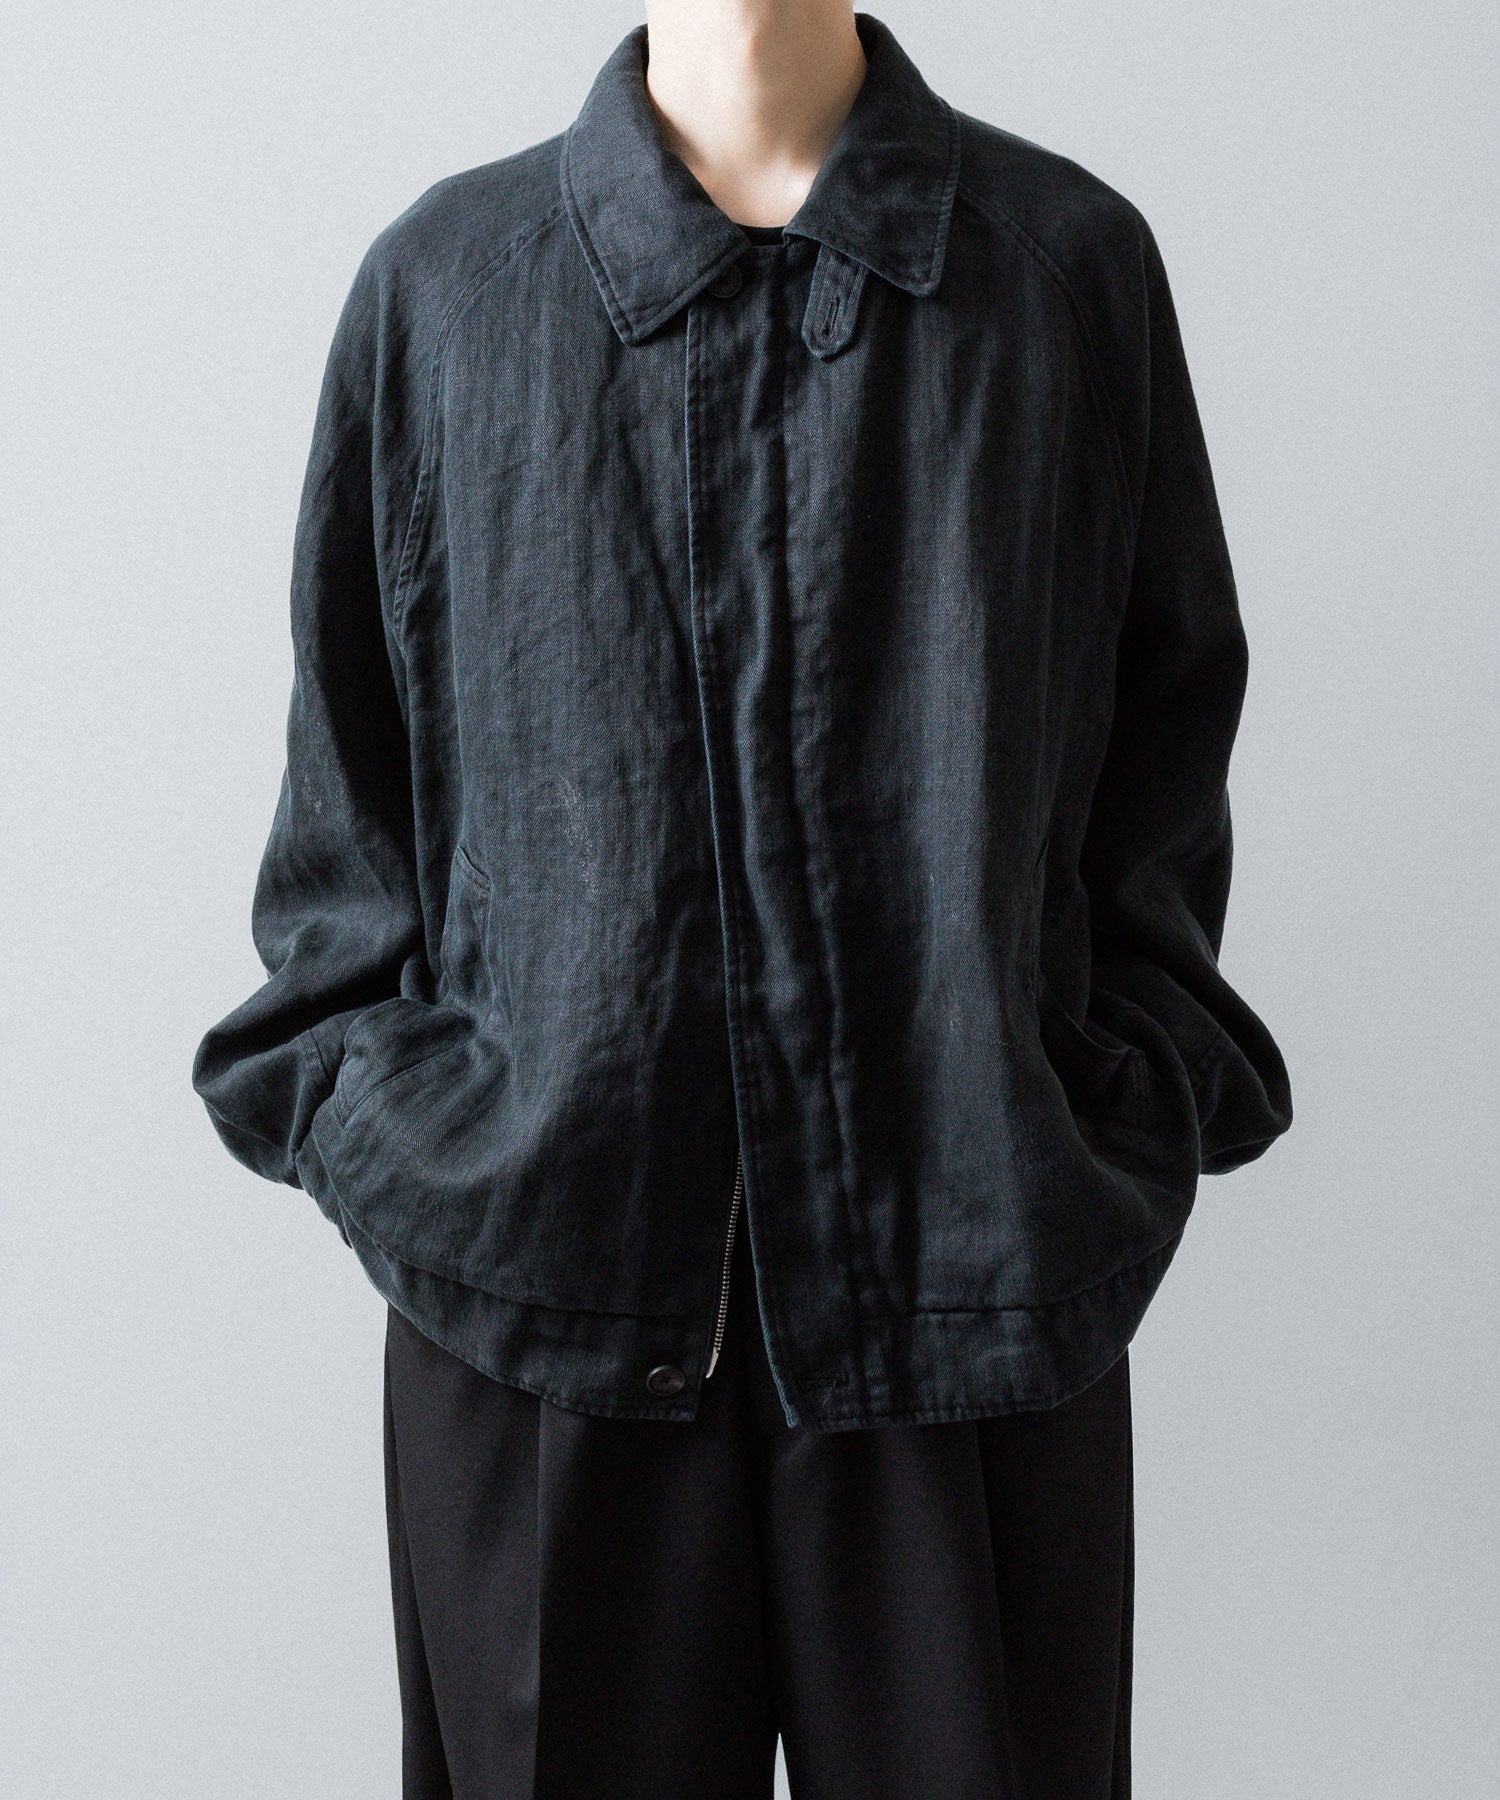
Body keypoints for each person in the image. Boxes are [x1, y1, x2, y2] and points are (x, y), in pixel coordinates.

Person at [192, 3, 1293, 1794]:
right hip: (542, 1306)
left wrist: (1103, 1112)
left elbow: (1161, 755)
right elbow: (348, 832)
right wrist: (424, 1141)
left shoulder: (1062, 269)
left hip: (973, 1300)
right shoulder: (450, 287)